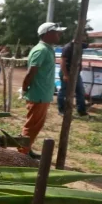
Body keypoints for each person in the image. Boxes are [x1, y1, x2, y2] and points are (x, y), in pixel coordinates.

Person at [20, 22, 66, 159]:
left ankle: (26, 149)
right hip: (37, 95)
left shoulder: (48, 49)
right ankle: (22, 153)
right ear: (47, 34)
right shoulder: (41, 50)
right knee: (32, 125)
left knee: (36, 125)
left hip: (42, 94)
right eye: (56, 32)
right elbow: (30, 73)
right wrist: (24, 89)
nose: (59, 34)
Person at [58, 34, 102, 117]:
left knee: (80, 92)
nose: (84, 39)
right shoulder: (68, 47)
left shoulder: (80, 45)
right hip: (66, 72)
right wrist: (65, 75)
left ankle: (81, 111)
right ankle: (62, 110)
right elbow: (62, 61)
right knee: (64, 92)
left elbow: (95, 45)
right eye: (83, 37)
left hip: (76, 74)